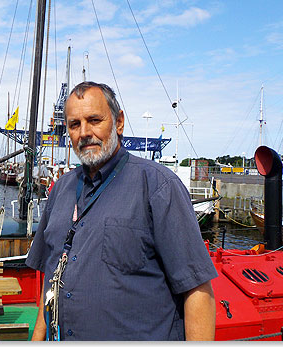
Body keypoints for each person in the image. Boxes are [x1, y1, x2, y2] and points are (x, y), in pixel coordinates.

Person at [25, 81, 217, 341]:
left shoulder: (158, 186)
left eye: (94, 120)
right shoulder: (61, 189)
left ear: (118, 122)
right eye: (74, 124)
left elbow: (196, 289)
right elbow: (51, 277)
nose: (84, 133)